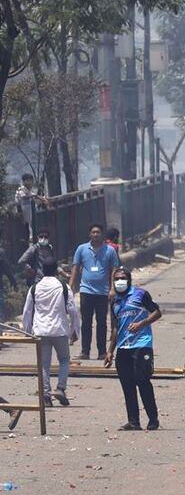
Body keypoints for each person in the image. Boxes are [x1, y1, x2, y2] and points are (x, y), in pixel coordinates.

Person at [104, 268, 162, 430]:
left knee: (143, 381)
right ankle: (133, 421)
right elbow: (115, 327)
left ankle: (153, 418)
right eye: (116, 279)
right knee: (127, 385)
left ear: (129, 280)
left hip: (142, 344)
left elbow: (157, 313)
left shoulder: (140, 294)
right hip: (123, 347)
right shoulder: (114, 300)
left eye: (122, 279)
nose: (119, 282)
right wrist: (110, 351)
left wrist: (141, 324)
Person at [21, 259, 78, 406]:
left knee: (44, 364)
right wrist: (74, 330)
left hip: (41, 331)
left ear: (42, 270)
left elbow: (27, 311)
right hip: (59, 330)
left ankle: (46, 395)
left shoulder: (35, 288)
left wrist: (27, 331)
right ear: (56, 271)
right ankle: (60, 388)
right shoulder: (63, 287)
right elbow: (73, 310)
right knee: (64, 360)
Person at [70, 223, 121, 361]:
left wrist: (113, 288)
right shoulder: (82, 249)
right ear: (89, 234)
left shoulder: (109, 250)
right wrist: (70, 287)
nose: (95, 234)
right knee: (86, 322)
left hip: (103, 292)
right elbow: (75, 268)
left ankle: (102, 352)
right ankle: (85, 352)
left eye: (98, 232)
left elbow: (114, 270)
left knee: (102, 322)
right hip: (86, 291)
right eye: (93, 232)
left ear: (102, 234)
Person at [15, 173, 47, 238]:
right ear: (24, 181)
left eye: (31, 181)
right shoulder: (21, 189)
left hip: (29, 213)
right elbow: (23, 196)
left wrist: (42, 199)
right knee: (27, 228)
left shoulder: (28, 190)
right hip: (22, 212)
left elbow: (34, 196)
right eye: (28, 181)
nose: (30, 183)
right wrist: (35, 196)